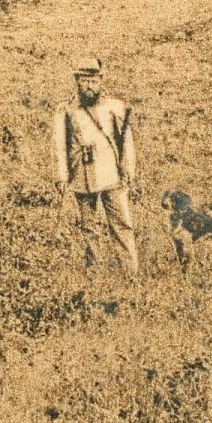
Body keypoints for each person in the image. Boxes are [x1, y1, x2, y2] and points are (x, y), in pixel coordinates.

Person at [54, 59, 143, 275]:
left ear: (101, 81)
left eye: (93, 81)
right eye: (84, 81)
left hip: (111, 174)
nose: (89, 86)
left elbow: (126, 142)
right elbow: (59, 146)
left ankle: (130, 272)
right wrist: (62, 177)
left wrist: (128, 171)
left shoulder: (115, 107)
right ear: (77, 81)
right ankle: (94, 272)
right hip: (82, 174)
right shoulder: (66, 110)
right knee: (89, 226)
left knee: (121, 224)